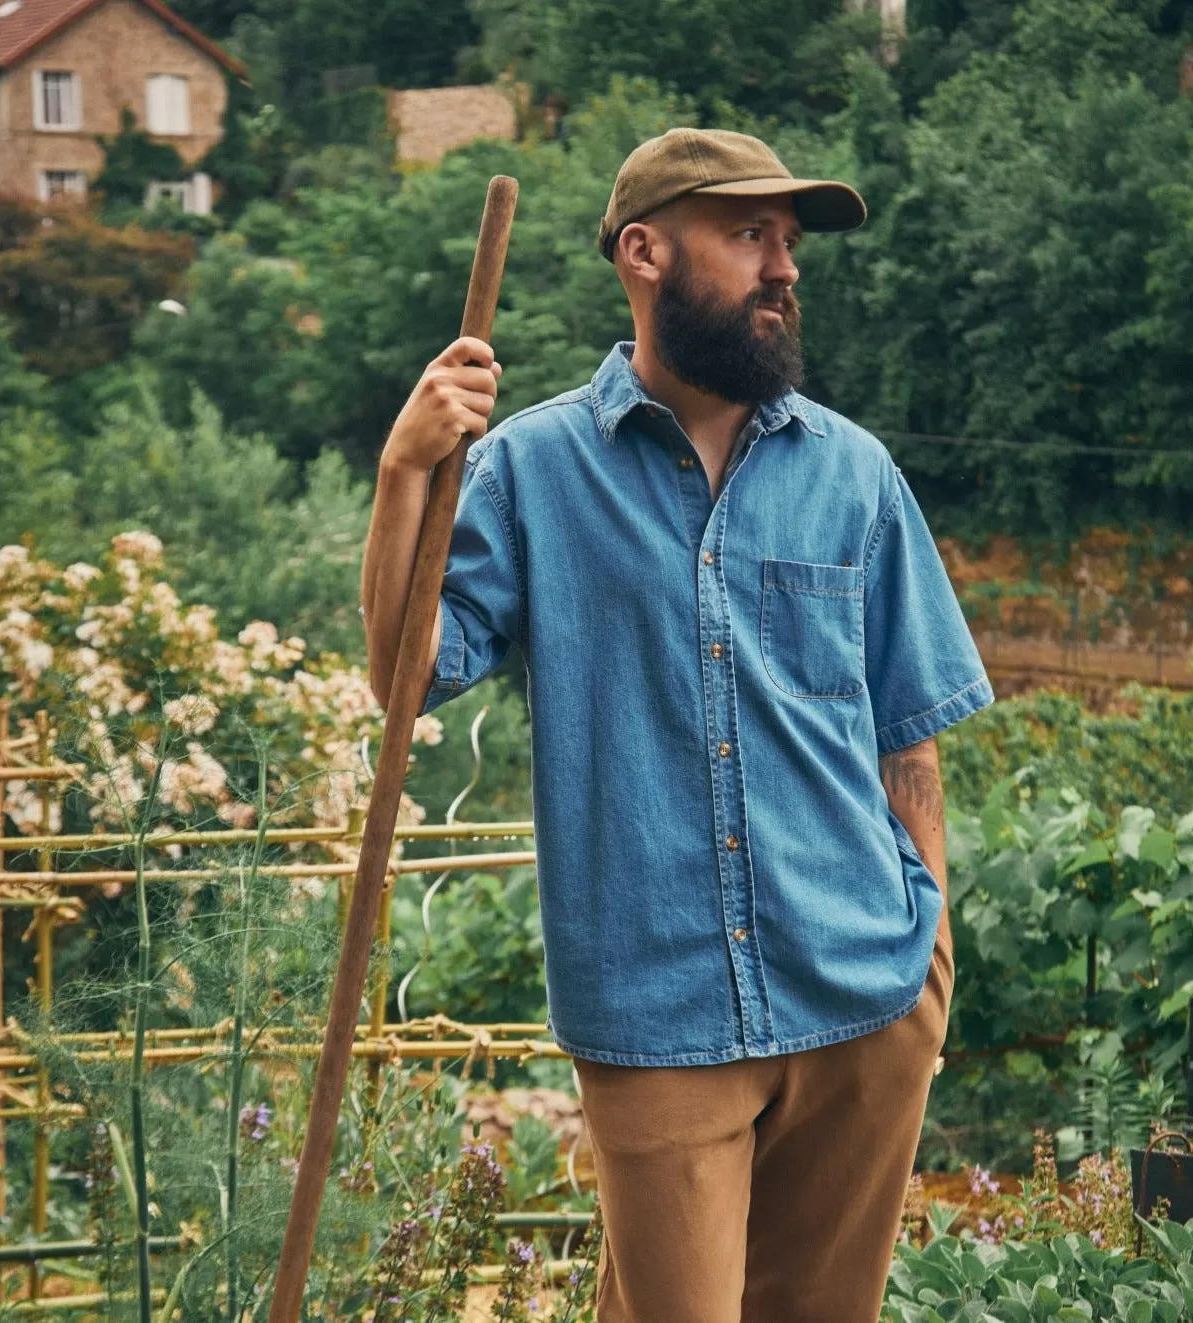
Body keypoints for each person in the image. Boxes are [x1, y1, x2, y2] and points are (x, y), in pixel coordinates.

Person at [361, 128, 994, 1323]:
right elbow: (406, 682)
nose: (783, 269)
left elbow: (909, 735)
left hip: (865, 990)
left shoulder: (856, 476)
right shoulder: (532, 471)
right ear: (645, 253)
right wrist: (404, 473)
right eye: (749, 235)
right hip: (655, 1009)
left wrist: (930, 954)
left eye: (790, 242)